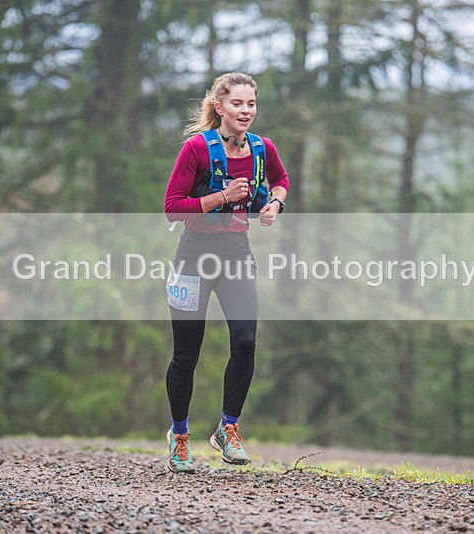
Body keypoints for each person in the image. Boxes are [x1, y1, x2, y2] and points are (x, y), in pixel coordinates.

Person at [163, 72, 289, 473]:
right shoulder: (196, 149)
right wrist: (222, 196)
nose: (245, 111)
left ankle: (228, 428)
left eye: (251, 103)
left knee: (246, 342)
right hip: (194, 256)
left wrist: (274, 205)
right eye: (237, 103)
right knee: (186, 354)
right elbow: (171, 207)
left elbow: (281, 181)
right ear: (219, 107)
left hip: (236, 253)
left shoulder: (262, 148)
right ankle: (179, 435)